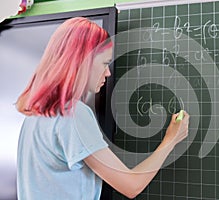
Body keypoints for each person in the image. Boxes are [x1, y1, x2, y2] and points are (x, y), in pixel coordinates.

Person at [16, 17, 189, 200]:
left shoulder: (35, 114)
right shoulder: (73, 114)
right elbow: (131, 186)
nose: (108, 72)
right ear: (83, 61)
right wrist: (171, 139)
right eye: (105, 63)